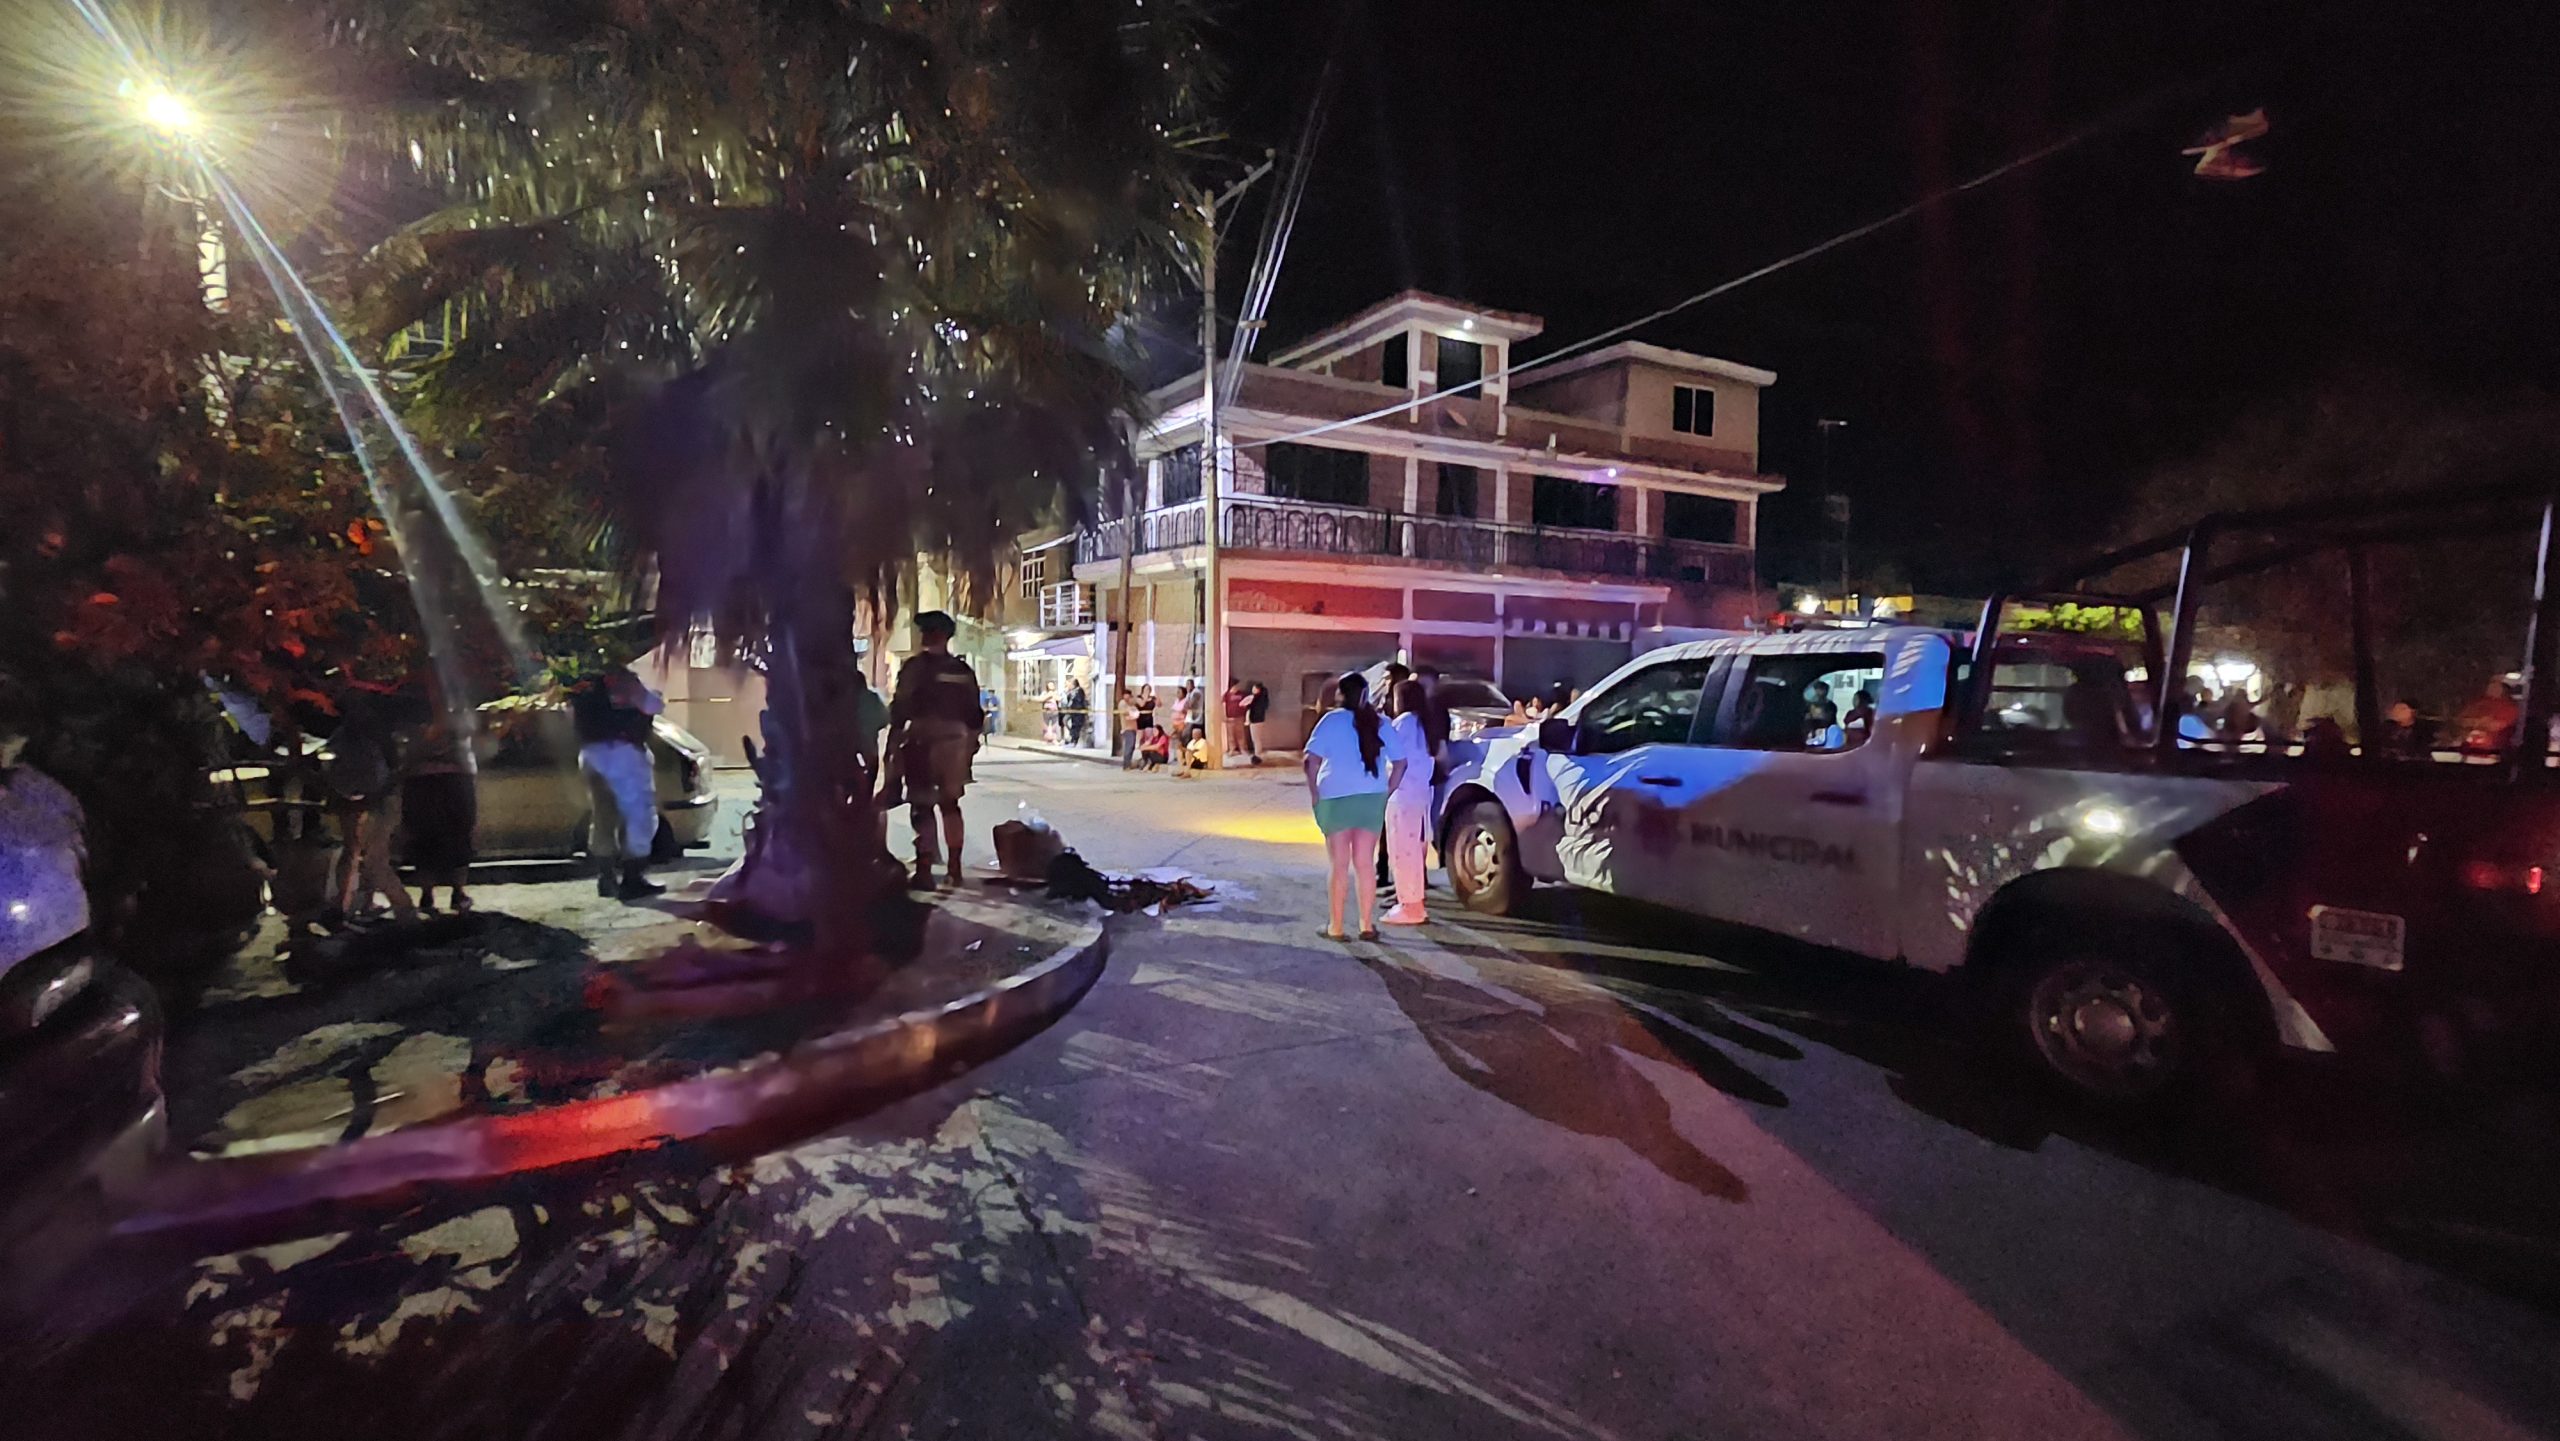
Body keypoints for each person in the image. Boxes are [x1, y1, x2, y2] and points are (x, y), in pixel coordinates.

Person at [1303, 672, 1408, 941]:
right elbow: (1400, 763)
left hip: (1335, 797)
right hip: (1371, 798)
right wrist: (1387, 791)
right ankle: (1366, 925)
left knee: (1338, 865)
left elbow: (1310, 761)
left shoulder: (1330, 720)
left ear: (1340, 694)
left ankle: (1335, 928)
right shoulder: (1381, 722)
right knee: (1364, 863)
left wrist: (1314, 792)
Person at [886, 611, 985, 889]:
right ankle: (955, 869)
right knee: (951, 805)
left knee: (922, 805)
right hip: (956, 742)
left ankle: (925, 869)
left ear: (926, 635)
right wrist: (968, 749)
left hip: (923, 739)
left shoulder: (914, 668)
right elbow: (975, 715)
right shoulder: (963, 671)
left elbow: (900, 708)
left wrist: (894, 748)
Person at [572, 665, 666, 900]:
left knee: (603, 816)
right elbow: (653, 705)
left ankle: (606, 878)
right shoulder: (626, 683)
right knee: (636, 816)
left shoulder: (585, 685)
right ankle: (632, 879)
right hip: (625, 756)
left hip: (592, 754)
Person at [326, 692, 418, 924]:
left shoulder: (374, 738)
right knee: (355, 853)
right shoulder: (345, 738)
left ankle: (403, 909)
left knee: (372, 859)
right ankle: (348, 905)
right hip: (356, 800)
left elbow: (389, 774)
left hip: (377, 801)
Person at [401, 702, 479, 914]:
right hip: (455, 777)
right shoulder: (459, 708)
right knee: (459, 832)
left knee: (424, 835)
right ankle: (457, 892)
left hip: (420, 779)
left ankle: (428, 895)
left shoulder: (414, 707)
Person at [1380, 678, 1437, 926]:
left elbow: (1392, 760)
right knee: (1413, 851)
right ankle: (1414, 903)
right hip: (1420, 795)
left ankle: (1409, 906)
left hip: (1402, 796)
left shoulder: (1402, 724)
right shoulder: (1425, 724)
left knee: (1402, 852)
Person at [2454, 675, 2521, 755]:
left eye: (2497, 684)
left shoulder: (2510, 708)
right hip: (2468, 750)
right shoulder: (2477, 704)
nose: (2493, 687)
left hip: (2494, 751)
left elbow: (2500, 726)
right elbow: (2460, 720)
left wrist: (2480, 723)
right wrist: (2479, 722)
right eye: (2492, 683)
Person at [1222, 680, 1252, 761]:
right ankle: (1232, 749)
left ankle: (1243, 749)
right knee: (1231, 734)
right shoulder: (1226, 695)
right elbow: (1224, 705)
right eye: (1236, 686)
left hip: (1240, 717)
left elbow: (1246, 704)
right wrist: (1224, 716)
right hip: (1230, 718)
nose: (1237, 687)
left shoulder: (1241, 694)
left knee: (1241, 734)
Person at [1062, 676, 1089, 748]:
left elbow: (1078, 701)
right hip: (1072, 712)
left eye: (1070, 684)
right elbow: (1068, 700)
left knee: (1076, 726)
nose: (1068, 686)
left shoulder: (1079, 691)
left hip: (1078, 712)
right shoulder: (1071, 692)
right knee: (1067, 722)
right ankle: (1071, 739)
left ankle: (1074, 741)